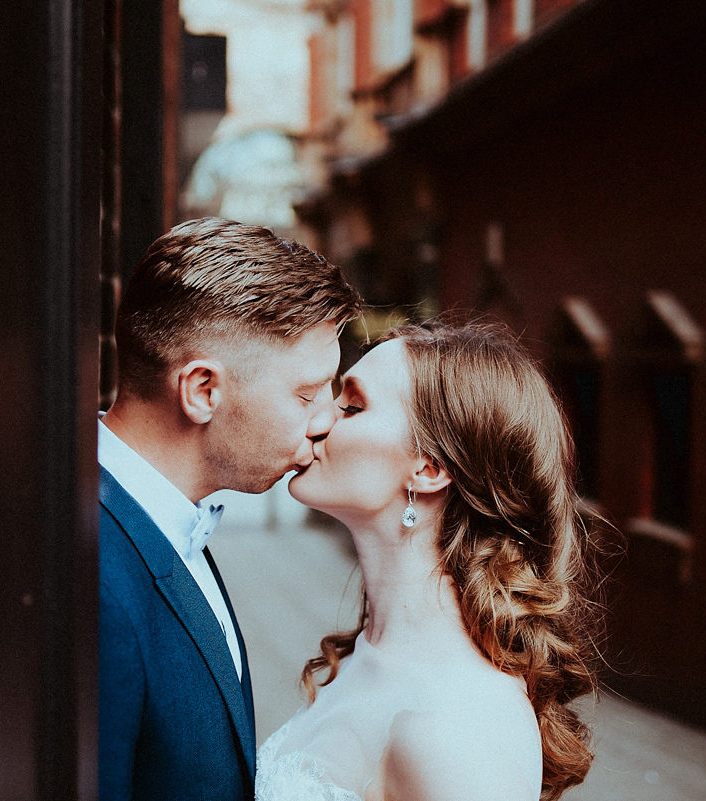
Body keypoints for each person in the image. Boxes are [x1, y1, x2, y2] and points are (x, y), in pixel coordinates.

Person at [256, 320, 602, 801]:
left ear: (429, 468)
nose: (318, 421)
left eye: (351, 406)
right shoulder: (367, 654)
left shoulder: (454, 731)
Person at [98, 217, 362, 801]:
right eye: (305, 394)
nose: (325, 423)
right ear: (202, 392)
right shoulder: (98, 579)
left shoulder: (176, 525)